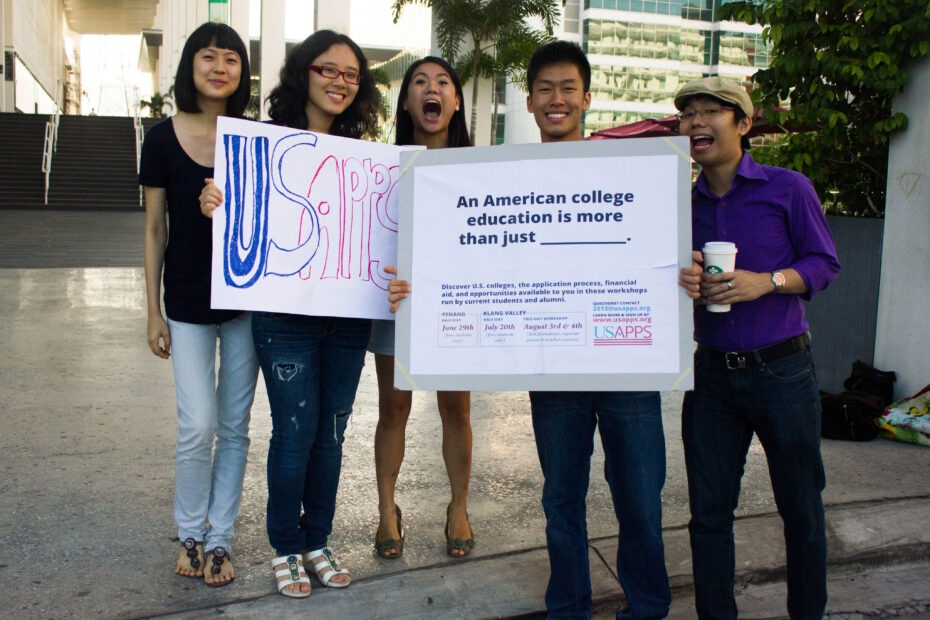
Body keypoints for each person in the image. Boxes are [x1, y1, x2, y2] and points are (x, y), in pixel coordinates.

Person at [388, 41, 671, 619]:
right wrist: (419, 287)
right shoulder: (508, 175)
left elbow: (660, 245)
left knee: (640, 502)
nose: (557, 99)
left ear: (587, 98)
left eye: (568, 88)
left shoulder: (629, 169)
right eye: (545, 89)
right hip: (555, 367)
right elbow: (474, 254)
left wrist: (682, 273)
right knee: (561, 499)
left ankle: (647, 609)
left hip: (628, 365)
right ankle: (568, 607)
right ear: (530, 100)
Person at [201, 30, 381, 598]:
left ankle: (317, 541)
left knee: (331, 433)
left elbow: (379, 237)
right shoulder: (261, 144)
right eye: (329, 70)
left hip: (349, 316)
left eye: (352, 75)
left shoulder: (370, 154)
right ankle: (285, 545)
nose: (340, 82)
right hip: (284, 318)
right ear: (304, 73)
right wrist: (216, 202)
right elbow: (242, 217)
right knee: (295, 433)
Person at [675, 76, 840, 619]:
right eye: (688, 113)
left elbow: (823, 264)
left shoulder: (788, 188)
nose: (696, 122)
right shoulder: (677, 203)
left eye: (711, 112)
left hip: (783, 369)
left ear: (743, 124)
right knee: (708, 516)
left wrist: (765, 281)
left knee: (801, 510)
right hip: (712, 378)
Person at [140, 22, 258, 588]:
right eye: (208, 57)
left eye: (231, 59)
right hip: (185, 302)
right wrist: (151, 310)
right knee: (198, 425)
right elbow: (154, 228)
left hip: (245, 302)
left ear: (241, 72)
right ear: (190, 66)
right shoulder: (161, 139)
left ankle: (219, 540)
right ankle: (188, 530)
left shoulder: (254, 136)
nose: (220, 67)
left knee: (234, 427)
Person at [371, 57, 475, 561]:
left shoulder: (481, 169)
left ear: (455, 101)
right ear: (407, 102)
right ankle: (387, 509)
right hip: (398, 301)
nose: (432, 90)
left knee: (456, 408)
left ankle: (458, 508)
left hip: (458, 304)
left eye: (443, 83)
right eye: (419, 83)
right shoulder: (379, 168)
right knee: (393, 408)